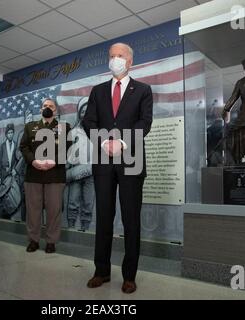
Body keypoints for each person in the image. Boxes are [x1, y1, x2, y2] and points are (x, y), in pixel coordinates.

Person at [82, 43, 153, 294]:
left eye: (120, 56)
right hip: (103, 161)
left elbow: (145, 122)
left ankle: (129, 275)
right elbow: (88, 120)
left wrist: (121, 142)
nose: (115, 60)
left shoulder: (143, 90)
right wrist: (104, 141)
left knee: (131, 219)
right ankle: (101, 271)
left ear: (130, 61)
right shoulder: (98, 91)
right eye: (112, 56)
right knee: (103, 217)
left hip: (131, 160)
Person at [19, 98, 71, 254]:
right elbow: (24, 147)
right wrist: (33, 161)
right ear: (40, 109)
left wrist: (54, 162)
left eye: (50, 106)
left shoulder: (64, 127)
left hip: (55, 175)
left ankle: (51, 242)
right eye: (44, 106)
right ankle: (33, 240)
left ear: (55, 110)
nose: (47, 108)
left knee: (54, 211)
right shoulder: (30, 127)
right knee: (33, 211)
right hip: (33, 174)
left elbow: (66, 148)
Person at [66, 96, 95, 231]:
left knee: (88, 203)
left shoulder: (97, 131)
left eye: (87, 111)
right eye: (82, 111)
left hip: (91, 173)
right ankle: (71, 226)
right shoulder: (73, 132)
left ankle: (85, 228)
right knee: (73, 201)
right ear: (79, 114)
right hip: (76, 171)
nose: (85, 114)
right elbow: (67, 153)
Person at [0, 124, 22, 220]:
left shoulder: (16, 145)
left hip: (12, 177)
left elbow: (18, 159)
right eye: (9, 133)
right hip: (3, 176)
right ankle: (3, 218)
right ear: (6, 134)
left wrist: (15, 170)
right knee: (2, 198)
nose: (10, 135)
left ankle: (9, 217)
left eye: (12, 133)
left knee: (11, 198)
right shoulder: (3, 146)